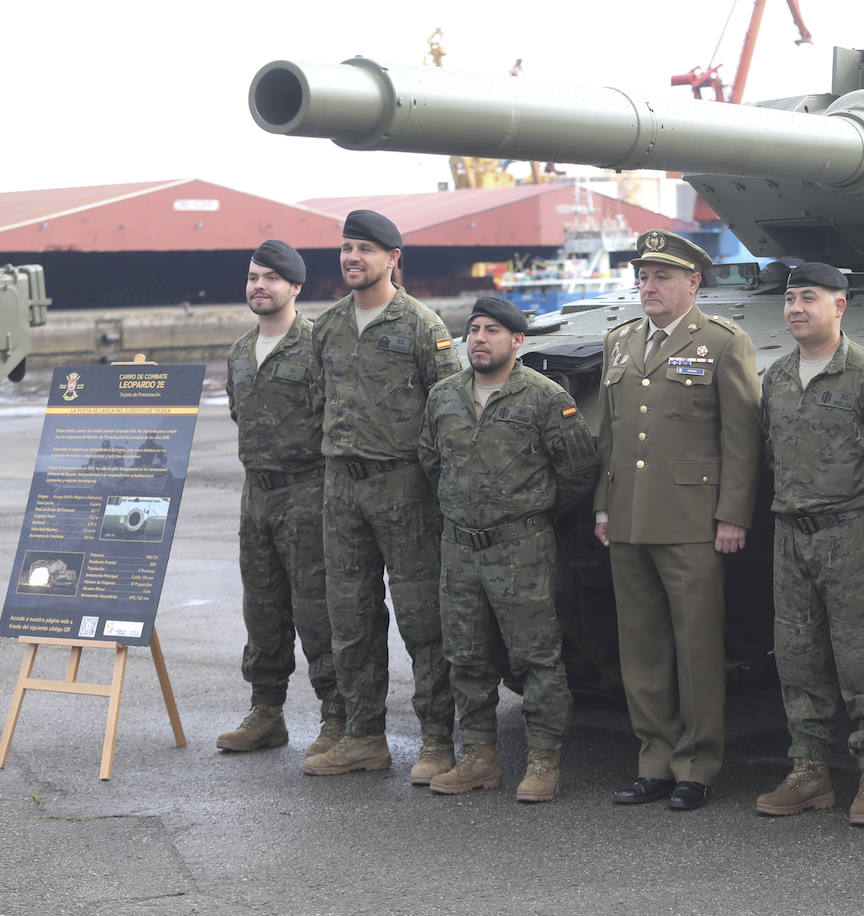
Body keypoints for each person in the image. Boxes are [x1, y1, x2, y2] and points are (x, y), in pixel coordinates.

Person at [594, 229, 762, 811]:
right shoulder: (619, 342)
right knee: (641, 649)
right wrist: (602, 506)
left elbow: (741, 437)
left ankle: (697, 765)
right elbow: (610, 435)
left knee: (696, 649)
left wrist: (732, 515)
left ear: (693, 283)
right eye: (643, 276)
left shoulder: (722, 342)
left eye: (662, 276)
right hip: (628, 518)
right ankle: (654, 762)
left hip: (692, 521)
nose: (649, 286)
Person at [754, 263, 864, 826]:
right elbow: (771, 455)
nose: (796, 309)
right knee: (797, 654)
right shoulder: (777, 377)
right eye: (790, 299)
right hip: (790, 535)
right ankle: (809, 770)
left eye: (809, 298)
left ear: (839, 306)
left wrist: (852, 501)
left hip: (852, 534)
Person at [302, 210, 461, 782]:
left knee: (423, 619)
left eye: (365, 249)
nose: (353, 257)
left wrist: (440, 491)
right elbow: (319, 402)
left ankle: (438, 740)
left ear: (393, 258)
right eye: (347, 247)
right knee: (350, 616)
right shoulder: (327, 326)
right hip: (342, 489)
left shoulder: (421, 325)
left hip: (404, 488)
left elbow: (449, 411)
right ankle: (364, 737)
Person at [417, 296, 596, 802]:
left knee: (536, 657)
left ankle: (543, 761)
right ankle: (479, 758)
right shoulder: (444, 396)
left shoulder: (544, 397)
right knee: (465, 656)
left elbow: (578, 469)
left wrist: (532, 513)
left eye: (492, 330)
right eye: (474, 329)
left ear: (517, 340)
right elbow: (431, 460)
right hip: (459, 550)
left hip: (521, 550)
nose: (479, 338)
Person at [218, 240, 344, 755]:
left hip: (307, 494)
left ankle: (337, 717)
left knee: (318, 611)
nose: (259, 286)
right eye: (253, 277)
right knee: (262, 608)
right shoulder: (239, 352)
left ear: (295, 287)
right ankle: (266, 713)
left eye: (271, 278)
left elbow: (337, 417)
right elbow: (239, 414)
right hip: (257, 498)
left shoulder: (317, 345)